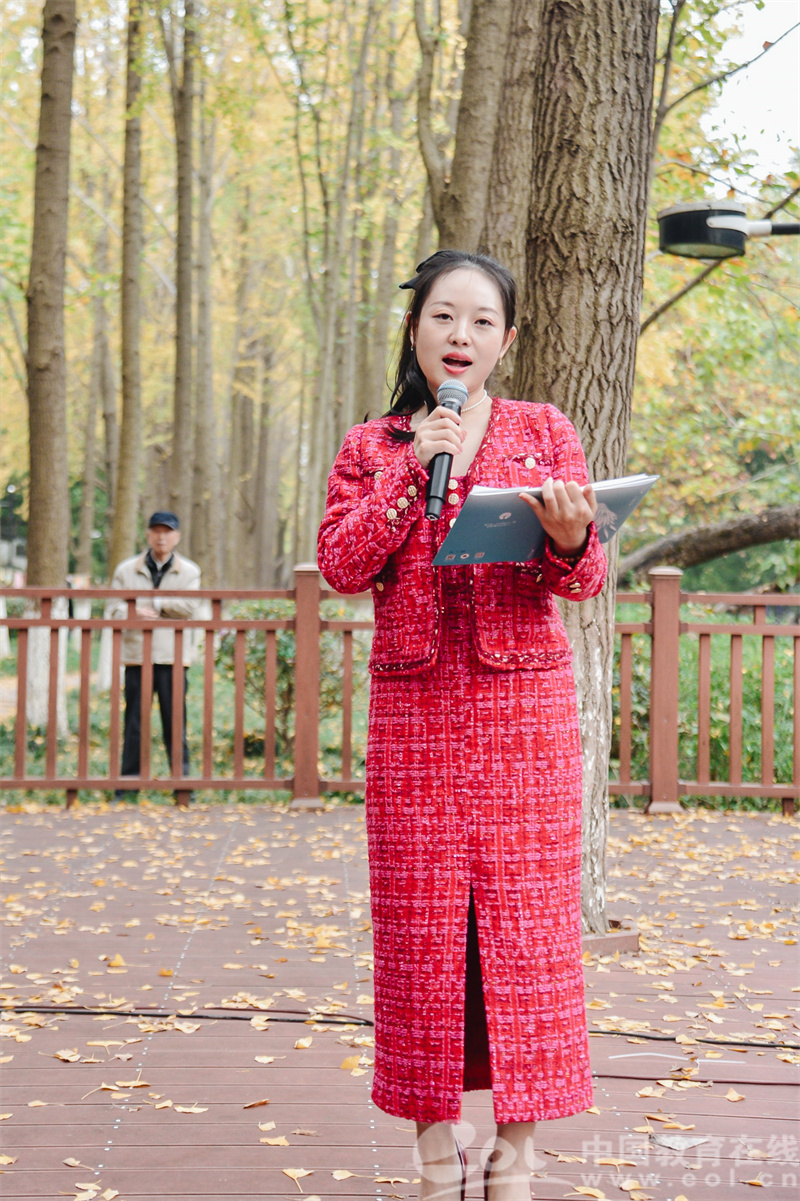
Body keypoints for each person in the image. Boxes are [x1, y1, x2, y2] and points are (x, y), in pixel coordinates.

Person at [318, 250, 607, 1201]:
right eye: (444, 317)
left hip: (524, 714)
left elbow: (586, 576)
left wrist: (570, 538)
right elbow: (342, 565)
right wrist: (414, 466)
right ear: (415, 331)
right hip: (415, 712)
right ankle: (435, 1149)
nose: (461, 336)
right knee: (421, 931)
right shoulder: (373, 445)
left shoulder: (543, 429)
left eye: (482, 321)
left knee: (527, 931)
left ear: (506, 340)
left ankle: (516, 1154)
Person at [107, 511, 201, 804]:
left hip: (173, 658)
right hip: (137, 657)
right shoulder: (126, 570)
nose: (162, 537)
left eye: (167, 532)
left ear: (177, 537)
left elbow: (190, 606)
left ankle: (182, 787)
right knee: (134, 723)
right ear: (147, 534)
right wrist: (133, 612)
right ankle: (127, 788)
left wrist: (158, 602)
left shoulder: (189, 571)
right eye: (156, 531)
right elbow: (112, 609)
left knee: (175, 724)